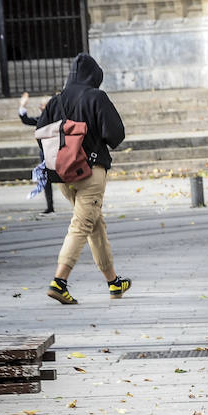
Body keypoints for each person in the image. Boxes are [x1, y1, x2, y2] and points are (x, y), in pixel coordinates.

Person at [33, 54, 131, 305]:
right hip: (91, 172)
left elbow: (40, 134)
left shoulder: (56, 101)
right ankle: (59, 281)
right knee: (81, 225)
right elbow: (115, 135)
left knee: (94, 225)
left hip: (65, 176)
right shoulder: (96, 97)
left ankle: (113, 282)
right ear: (93, 76)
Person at [18, 92, 56, 215]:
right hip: (45, 154)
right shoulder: (41, 119)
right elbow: (26, 119)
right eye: (40, 105)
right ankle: (50, 207)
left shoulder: (56, 118)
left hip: (58, 153)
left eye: (42, 105)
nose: (40, 107)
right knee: (46, 179)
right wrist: (22, 105)